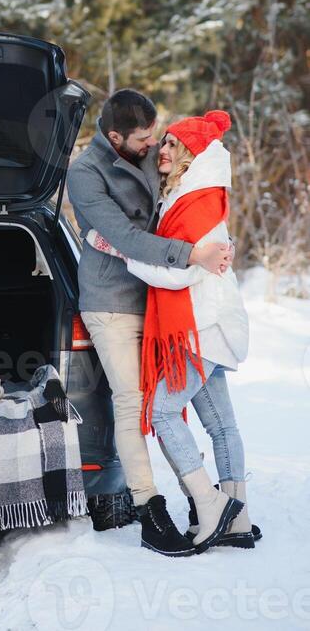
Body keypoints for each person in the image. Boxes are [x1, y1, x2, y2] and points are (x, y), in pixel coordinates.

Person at [67, 90, 233, 557]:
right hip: (111, 304)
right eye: (143, 139)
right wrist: (190, 254)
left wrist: (218, 240)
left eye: (155, 136)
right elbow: (124, 236)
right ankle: (149, 509)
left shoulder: (145, 152)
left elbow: (183, 193)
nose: (153, 146)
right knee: (132, 402)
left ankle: (204, 501)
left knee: (168, 405)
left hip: (162, 298)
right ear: (115, 136)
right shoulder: (85, 174)